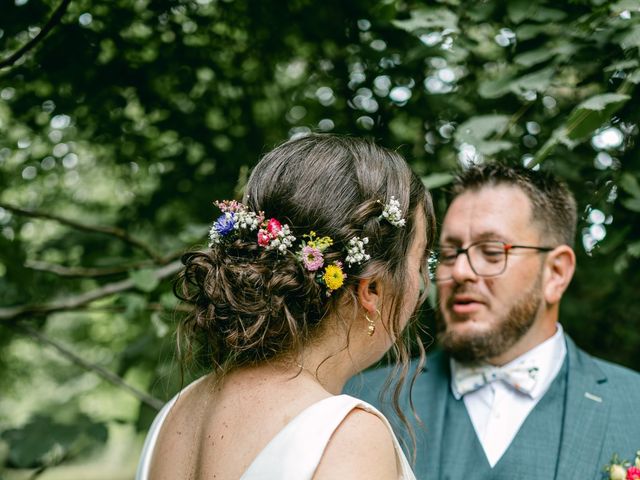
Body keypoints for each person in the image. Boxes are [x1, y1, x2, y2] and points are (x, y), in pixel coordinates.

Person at [135, 134, 436, 479]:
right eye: (421, 260)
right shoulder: (347, 437)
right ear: (373, 289)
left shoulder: (174, 417)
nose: (424, 284)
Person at [349, 163, 640, 479]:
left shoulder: (632, 405)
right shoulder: (363, 400)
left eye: (490, 251)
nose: (459, 272)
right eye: (448, 254)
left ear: (555, 273)